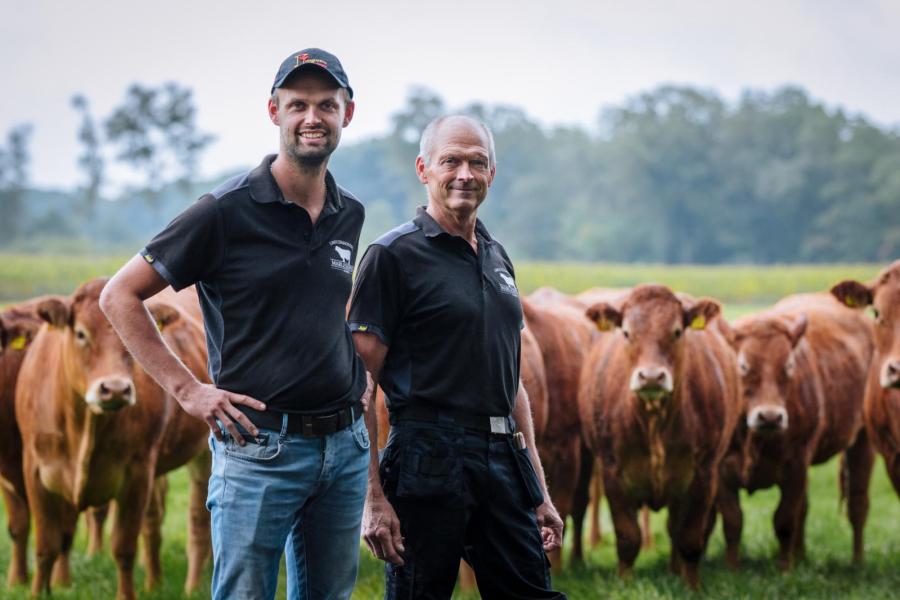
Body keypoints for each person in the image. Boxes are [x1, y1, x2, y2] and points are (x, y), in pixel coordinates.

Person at [100, 48, 371, 600]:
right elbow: (119, 295)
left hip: (345, 446)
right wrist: (188, 390)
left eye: (327, 104)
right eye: (298, 105)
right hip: (260, 448)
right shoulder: (223, 211)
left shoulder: (349, 212)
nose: (313, 117)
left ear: (347, 113)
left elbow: (323, 311)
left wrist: (358, 379)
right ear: (274, 112)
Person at [349, 115, 567, 599]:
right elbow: (359, 385)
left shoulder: (497, 257)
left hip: (502, 457)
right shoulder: (392, 256)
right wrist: (372, 499)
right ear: (423, 169)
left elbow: (511, 383)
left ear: (492, 173)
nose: (465, 174)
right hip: (425, 456)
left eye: (477, 163)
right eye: (451, 161)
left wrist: (539, 491)